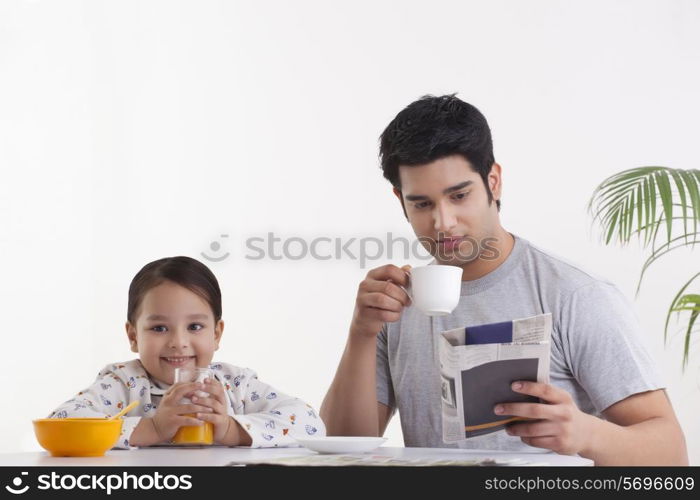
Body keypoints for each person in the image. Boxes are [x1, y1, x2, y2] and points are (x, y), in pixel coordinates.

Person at [320, 94, 687, 465]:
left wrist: (586, 433)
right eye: (422, 204)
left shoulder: (574, 294)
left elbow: (672, 454)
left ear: (493, 182)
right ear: (401, 201)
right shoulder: (395, 304)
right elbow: (343, 449)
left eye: (459, 195)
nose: (443, 222)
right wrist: (362, 331)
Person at [49, 256, 324, 449]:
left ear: (216, 334)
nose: (178, 342)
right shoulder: (123, 383)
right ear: (133, 336)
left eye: (194, 326)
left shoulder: (235, 385)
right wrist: (153, 429)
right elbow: (62, 423)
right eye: (159, 328)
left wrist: (229, 429)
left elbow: (309, 422)